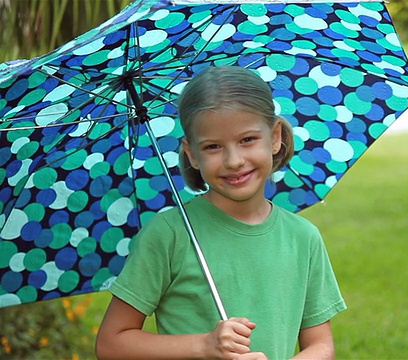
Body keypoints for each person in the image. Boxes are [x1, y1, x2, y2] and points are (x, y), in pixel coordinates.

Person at [95, 66, 346, 359]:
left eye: (247, 140)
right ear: (192, 154)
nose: (234, 160)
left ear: (275, 136)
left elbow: (321, 345)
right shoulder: (170, 235)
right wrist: (203, 346)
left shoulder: (303, 238)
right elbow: (111, 344)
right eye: (213, 146)